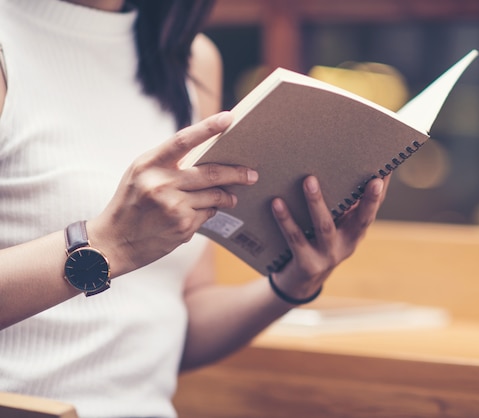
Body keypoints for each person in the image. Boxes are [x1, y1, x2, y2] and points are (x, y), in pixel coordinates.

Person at [0, 0, 388, 417]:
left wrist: (292, 285)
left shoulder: (189, 59)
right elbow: (117, 247)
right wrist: (110, 244)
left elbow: (177, 318)